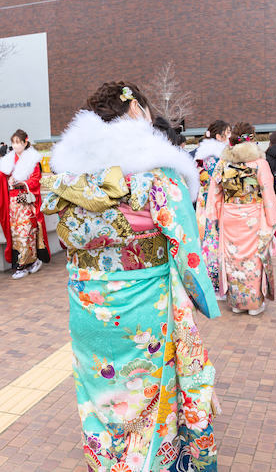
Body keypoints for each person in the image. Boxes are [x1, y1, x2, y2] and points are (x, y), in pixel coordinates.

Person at [43, 81, 220, 470]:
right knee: (149, 391)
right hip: (145, 303)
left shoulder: (71, 176)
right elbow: (186, 249)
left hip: (88, 302)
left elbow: (68, 239)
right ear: (137, 110)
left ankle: (107, 461)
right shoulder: (155, 172)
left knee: (99, 389)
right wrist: (201, 297)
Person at [206, 122, 276, 315]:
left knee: (232, 258)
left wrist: (213, 216)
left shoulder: (223, 163)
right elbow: (268, 193)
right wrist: (272, 220)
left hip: (230, 215)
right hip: (253, 215)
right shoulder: (259, 163)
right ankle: (253, 303)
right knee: (254, 259)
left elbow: (214, 192)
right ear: (252, 139)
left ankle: (236, 303)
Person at [0, 130, 51, 279]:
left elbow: (36, 179)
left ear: (25, 143)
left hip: (25, 199)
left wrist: (23, 183)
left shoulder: (32, 159)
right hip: (12, 201)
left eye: (18, 142)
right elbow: (0, 177)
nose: (15, 146)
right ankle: (27, 263)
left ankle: (24, 265)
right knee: (16, 234)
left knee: (27, 231)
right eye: (13, 142)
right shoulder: (9, 160)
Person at [194, 119, 231, 300]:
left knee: (208, 238)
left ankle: (211, 282)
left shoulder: (205, 155)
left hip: (205, 199)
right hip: (214, 199)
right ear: (219, 136)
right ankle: (216, 283)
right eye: (228, 132)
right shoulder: (218, 156)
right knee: (214, 239)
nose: (230, 136)